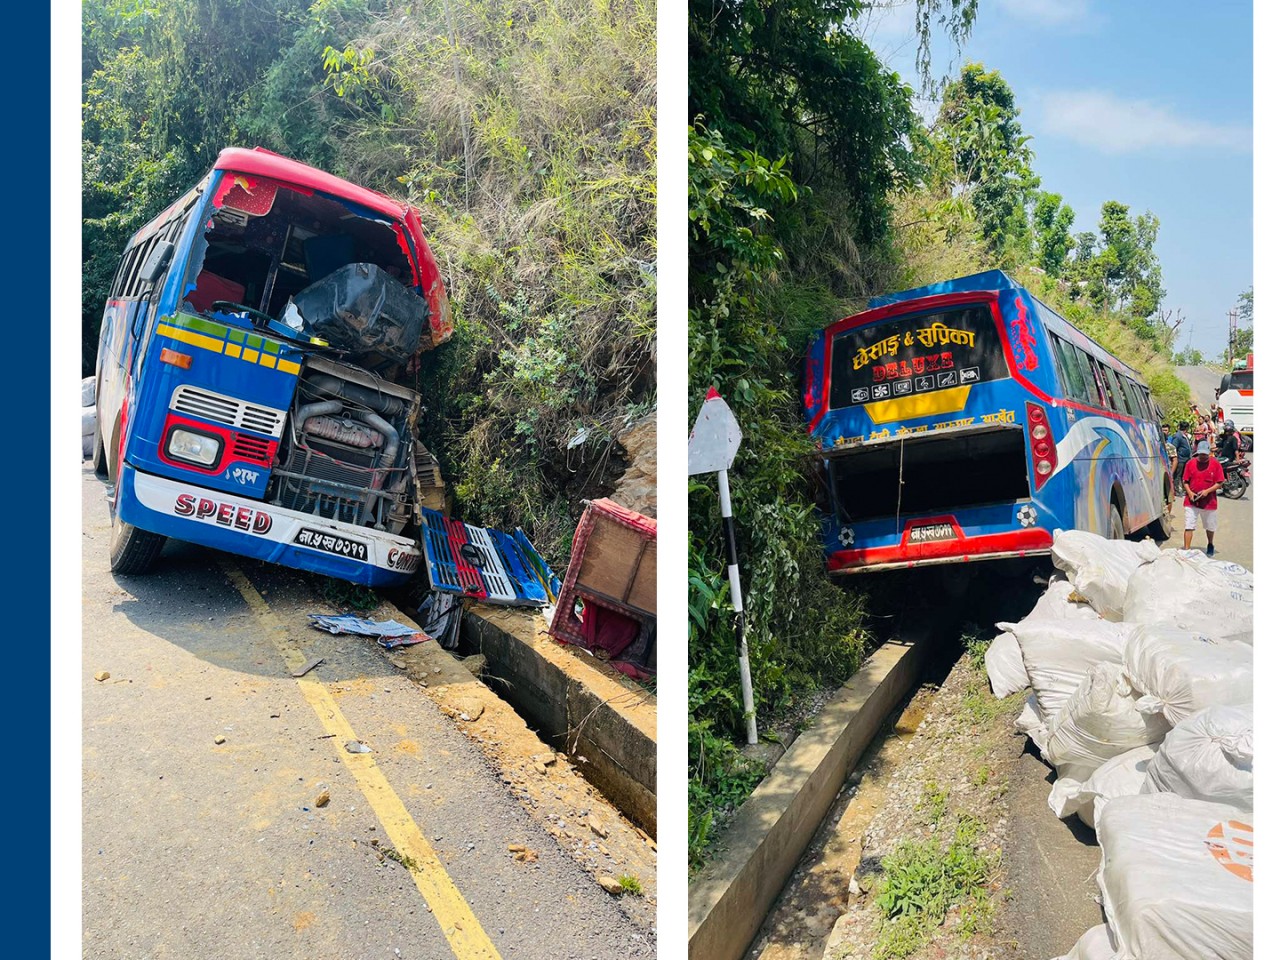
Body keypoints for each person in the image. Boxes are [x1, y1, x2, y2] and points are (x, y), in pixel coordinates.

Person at [1182, 440, 1225, 556]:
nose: (1203, 457)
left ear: (1209, 453)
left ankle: (1210, 544)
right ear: (1197, 453)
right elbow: (1185, 481)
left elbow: (1220, 482)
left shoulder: (1215, 464)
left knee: (1210, 526)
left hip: (1209, 502)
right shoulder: (1190, 464)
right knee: (1189, 525)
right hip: (1191, 501)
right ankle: (1186, 550)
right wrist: (1190, 492)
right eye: (1201, 454)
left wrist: (1207, 491)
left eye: (1205, 454)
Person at [1170, 421, 1193, 495]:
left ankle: (1183, 489)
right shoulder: (1178, 436)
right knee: (1178, 475)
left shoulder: (1184, 435)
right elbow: (1174, 447)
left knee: (1184, 475)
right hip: (1180, 459)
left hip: (1186, 459)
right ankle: (1176, 490)